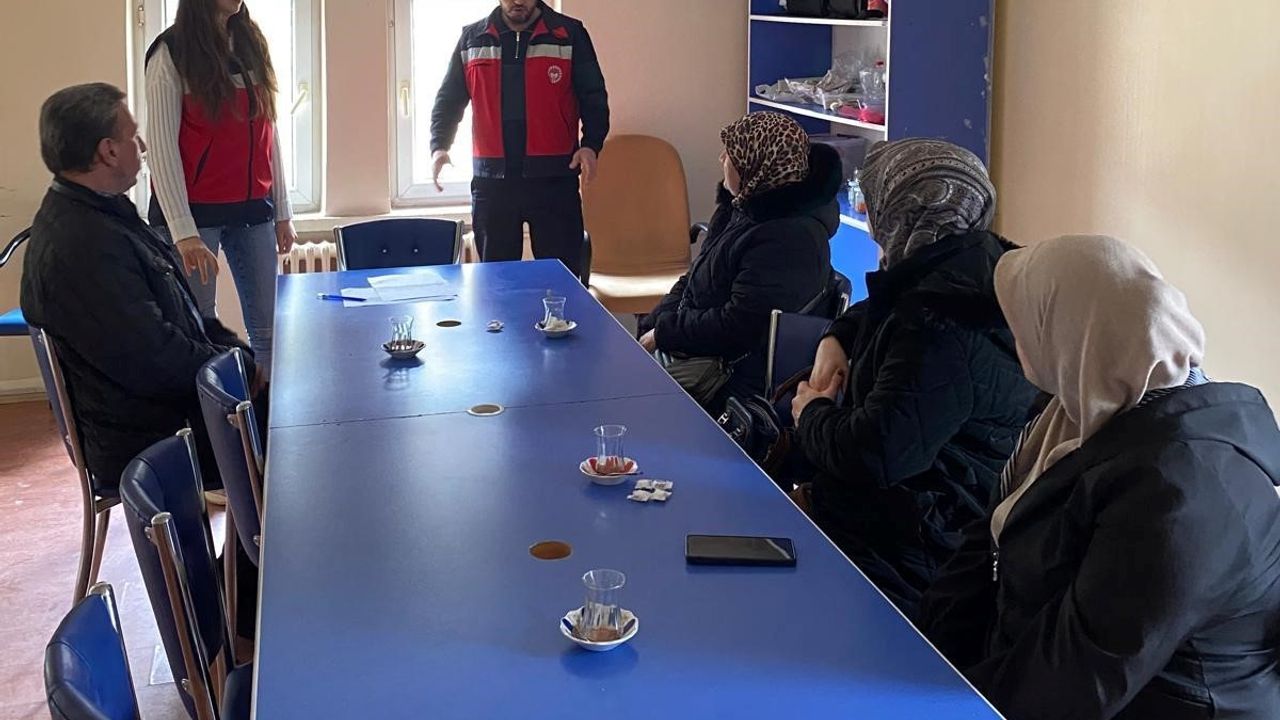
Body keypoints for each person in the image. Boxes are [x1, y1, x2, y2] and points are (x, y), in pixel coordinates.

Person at [919, 235, 1280, 720]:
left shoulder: (1184, 494)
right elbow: (989, 545)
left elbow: (1072, 684)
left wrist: (923, 706)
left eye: (1026, 326)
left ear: (1069, 334)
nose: (1017, 345)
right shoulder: (1080, 414)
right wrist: (921, 658)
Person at [789, 139, 1039, 616]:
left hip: (911, 547)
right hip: (937, 522)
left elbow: (875, 455)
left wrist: (811, 413)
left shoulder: (936, 324)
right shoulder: (976, 264)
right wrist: (837, 336)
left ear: (899, 211)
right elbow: (884, 305)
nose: (866, 209)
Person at [21, 83, 261, 494]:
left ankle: (255, 533)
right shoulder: (83, 245)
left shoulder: (99, 212)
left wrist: (239, 358)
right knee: (297, 433)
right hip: (148, 436)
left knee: (290, 408)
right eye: (134, 136)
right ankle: (260, 534)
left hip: (158, 412)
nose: (143, 146)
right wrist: (239, 370)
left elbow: (183, 319)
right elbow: (157, 359)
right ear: (108, 151)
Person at [637, 112, 838, 410]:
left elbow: (740, 326)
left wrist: (665, 332)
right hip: (699, 350)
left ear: (757, 163)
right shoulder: (743, 208)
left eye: (730, 153)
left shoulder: (788, 239)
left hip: (730, 378)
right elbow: (693, 281)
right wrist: (655, 323)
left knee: (621, 389)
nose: (721, 159)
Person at [145, 0, 296, 377]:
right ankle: (210, 412)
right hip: (194, 218)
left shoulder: (250, 43)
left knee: (268, 331)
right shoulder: (170, 52)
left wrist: (282, 210)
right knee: (199, 330)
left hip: (253, 210)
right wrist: (183, 232)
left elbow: (268, 130)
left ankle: (265, 410)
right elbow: (161, 149)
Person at [430, 0, 609, 279]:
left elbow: (593, 96)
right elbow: (449, 99)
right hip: (493, 184)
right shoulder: (472, 39)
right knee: (496, 283)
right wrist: (440, 146)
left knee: (562, 281)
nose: (517, 1)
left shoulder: (569, 34)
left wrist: (590, 145)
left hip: (555, 180)